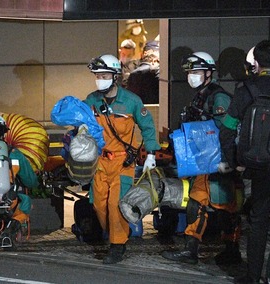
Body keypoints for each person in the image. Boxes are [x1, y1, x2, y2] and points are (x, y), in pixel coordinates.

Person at [161, 51, 241, 266]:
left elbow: (227, 130)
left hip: (216, 161)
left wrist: (225, 160)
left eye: (196, 72)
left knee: (222, 206)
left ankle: (227, 250)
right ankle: (195, 249)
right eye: (189, 72)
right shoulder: (202, 95)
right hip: (205, 161)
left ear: (208, 73)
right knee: (202, 203)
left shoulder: (218, 97)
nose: (191, 76)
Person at [83, 54, 160, 264]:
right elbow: (79, 122)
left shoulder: (131, 101)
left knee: (116, 204)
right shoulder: (91, 100)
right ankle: (114, 234)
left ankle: (118, 245)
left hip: (122, 162)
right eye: (97, 75)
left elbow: (148, 126)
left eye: (105, 75)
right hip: (99, 162)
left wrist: (151, 153)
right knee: (99, 204)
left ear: (115, 76)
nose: (100, 79)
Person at [219, 40, 270, 283]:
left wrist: (234, 162)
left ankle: (252, 277)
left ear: (256, 64)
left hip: (257, 166)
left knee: (258, 222)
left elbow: (227, 131)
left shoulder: (246, 91)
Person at [0, 114, 39, 245]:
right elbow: (31, 181)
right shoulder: (15, 154)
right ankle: (9, 232)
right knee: (26, 201)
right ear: (4, 134)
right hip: (9, 202)